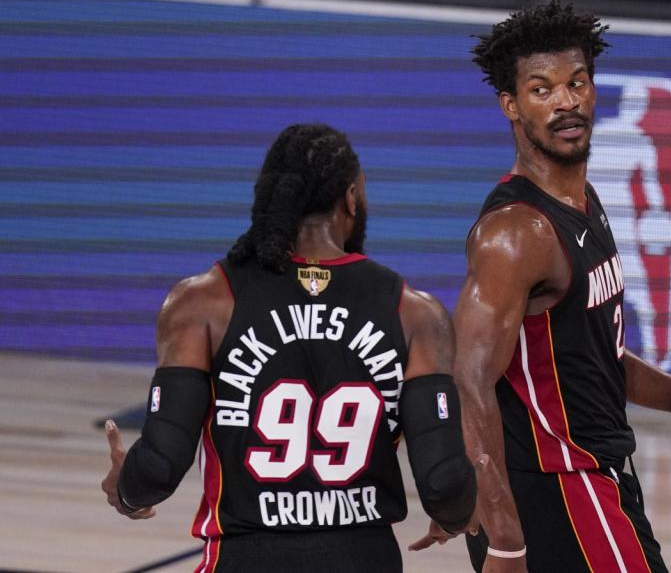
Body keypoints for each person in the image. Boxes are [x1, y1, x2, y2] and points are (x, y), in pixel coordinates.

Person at [411, 0, 671, 572]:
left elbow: (586, 353)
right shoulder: (516, 233)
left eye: (577, 83)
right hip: (559, 490)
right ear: (511, 105)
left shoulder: (582, 202)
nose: (566, 101)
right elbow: (468, 380)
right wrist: (503, 533)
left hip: (597, 480)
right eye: (542, 89)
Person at [101, 124, 478, 572]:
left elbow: (160, 465)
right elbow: (444, 481)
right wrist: (453, 515)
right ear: (352, 198)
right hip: (364, 557)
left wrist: (126, 489)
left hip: (247, 556)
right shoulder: (415, 312)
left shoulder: (202, 301)